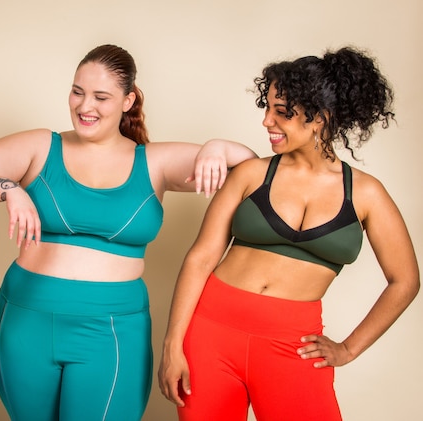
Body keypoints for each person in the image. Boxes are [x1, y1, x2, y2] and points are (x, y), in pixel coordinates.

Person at [0, 44, 257, 421]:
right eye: (77, 92)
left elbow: (249, 167)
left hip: (113, 328)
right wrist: (10, 189)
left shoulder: (154, 162)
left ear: (128, 100)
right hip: (25, 320)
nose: (86, 106)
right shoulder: (40, 146)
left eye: (101, 97)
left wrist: (216, 147)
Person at [158, 46, 420, 421]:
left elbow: (405, 280)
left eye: (282, 113)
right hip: (210, 334)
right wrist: (173, 345)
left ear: (320, 118)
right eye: (267, 108)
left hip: (293, 345)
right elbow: (201, 258)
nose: (267, 121)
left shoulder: (366, 193)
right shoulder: (251, 174)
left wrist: (347, 349)